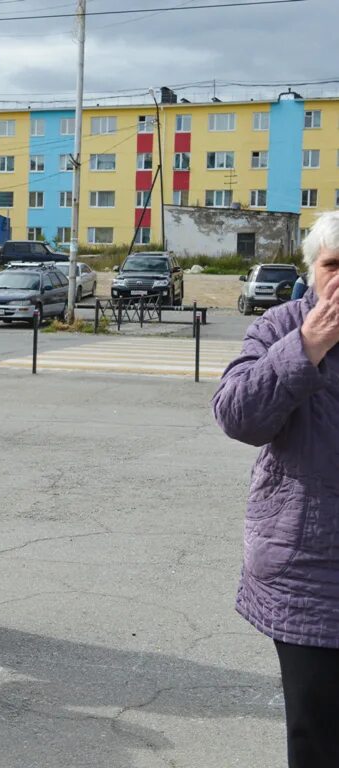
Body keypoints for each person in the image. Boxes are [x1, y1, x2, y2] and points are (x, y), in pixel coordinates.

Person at [211, 210, 339, 768]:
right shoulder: (282, 327)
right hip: (309, 564)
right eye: (334, 265)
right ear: (313, 271)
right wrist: (305, 349)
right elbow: (238, 417)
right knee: (315, 732)